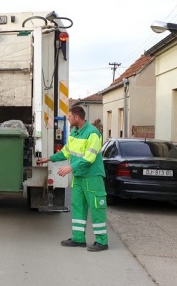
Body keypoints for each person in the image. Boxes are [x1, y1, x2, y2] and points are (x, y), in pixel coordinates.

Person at [37, 106, 108, 252]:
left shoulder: (93, 133)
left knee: (96, 208)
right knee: (77, 207)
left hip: (92, 177)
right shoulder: (74, 133)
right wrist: (49, 159)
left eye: (69, 116)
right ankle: (78, 239)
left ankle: (102, 242)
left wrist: (71, 168)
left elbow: (90, 157)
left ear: (77, 117)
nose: (68, 119)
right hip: (79, 177)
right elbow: (66, 152)